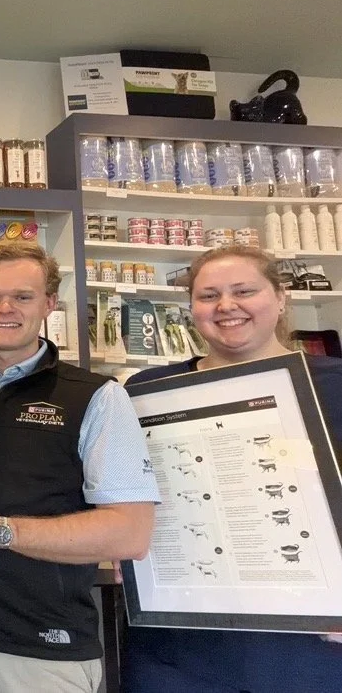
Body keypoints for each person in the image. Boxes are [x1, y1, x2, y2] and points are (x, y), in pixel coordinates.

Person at [0, 244, 160, 693]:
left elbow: (131, 533)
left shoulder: (96, 397)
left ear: (49, 303)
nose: (5, 308)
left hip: (44, 651)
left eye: (23, 296)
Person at [120, 245, 342, 693]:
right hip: (181, 642)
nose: (226, 305)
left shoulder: (334, 382)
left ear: (280, 297)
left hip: (310, 646)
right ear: (192, 309)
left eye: (244, 291)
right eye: (209, 295)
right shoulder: (147, 390)